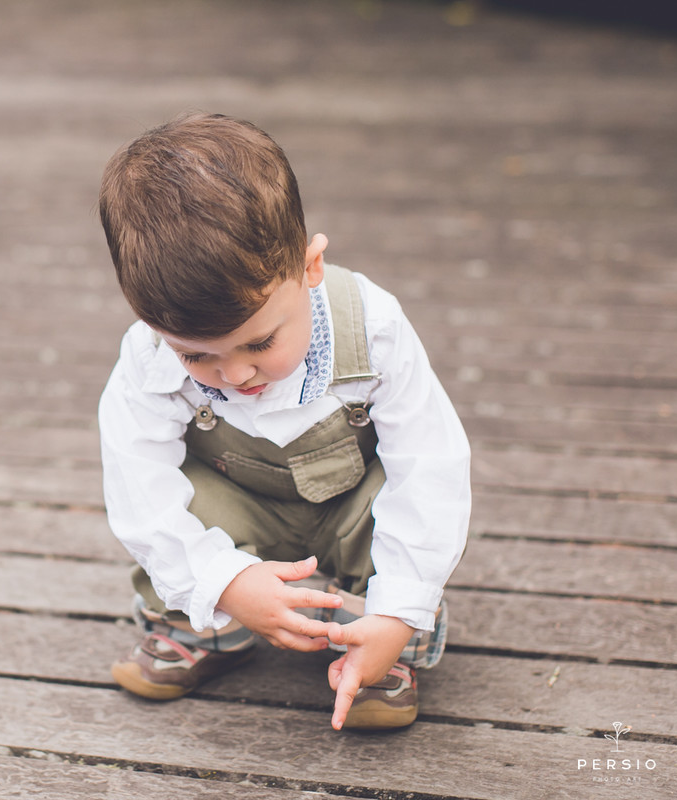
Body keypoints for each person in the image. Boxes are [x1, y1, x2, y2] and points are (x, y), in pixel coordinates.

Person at [96, 111, 471, 730]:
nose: (237, 374)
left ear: (308, 267)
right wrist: (227, 582)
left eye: (259, 342)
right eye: (197, 354)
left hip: (350, 501)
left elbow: (430, 465)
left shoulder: (370, 328)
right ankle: (211, 631)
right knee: (177, 507)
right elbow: (140, 492)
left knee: (393, 505)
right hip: (240, 503)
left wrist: (401, 608)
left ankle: (377, 638)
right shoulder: (147, 361)